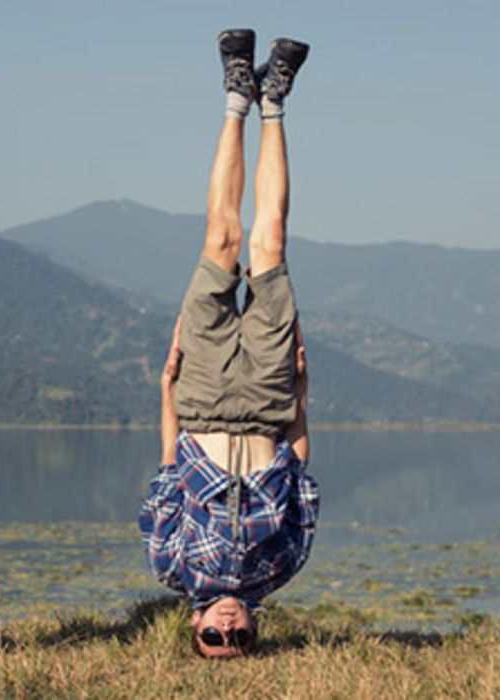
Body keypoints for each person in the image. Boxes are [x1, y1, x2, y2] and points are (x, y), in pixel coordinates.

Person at [138, 29, 320, 659]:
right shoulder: (282, 566)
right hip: (270, 401)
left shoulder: (171, 566)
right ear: (253, 631)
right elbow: (298, 468)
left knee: (221, 240)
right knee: (269, 245)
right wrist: (300, 389)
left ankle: (235, 93)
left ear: (193, 628)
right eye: (237, 639)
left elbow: (168, 466)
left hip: (205, 397)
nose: (226, 624)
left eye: (213, 638)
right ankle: (275, 102)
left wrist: (166, 388)